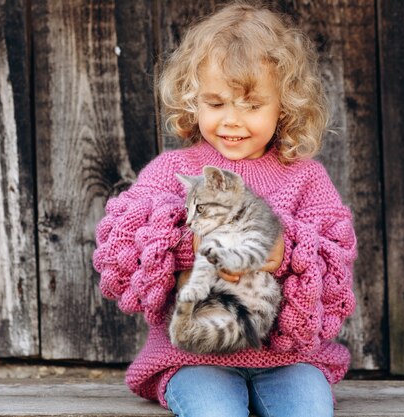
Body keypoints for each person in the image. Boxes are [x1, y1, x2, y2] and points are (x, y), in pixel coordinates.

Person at [93, 2, 357, 416]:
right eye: (216, 103)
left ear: (284, 106)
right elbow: (122, 244)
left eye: (251, 106)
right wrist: (191, 246)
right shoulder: (174, 171)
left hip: (289, 359)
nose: (232, 120)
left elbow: (334, 268)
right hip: (197, 358)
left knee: (308, 410)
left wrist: (282, 252)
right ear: (192, 100)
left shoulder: (307, 180)